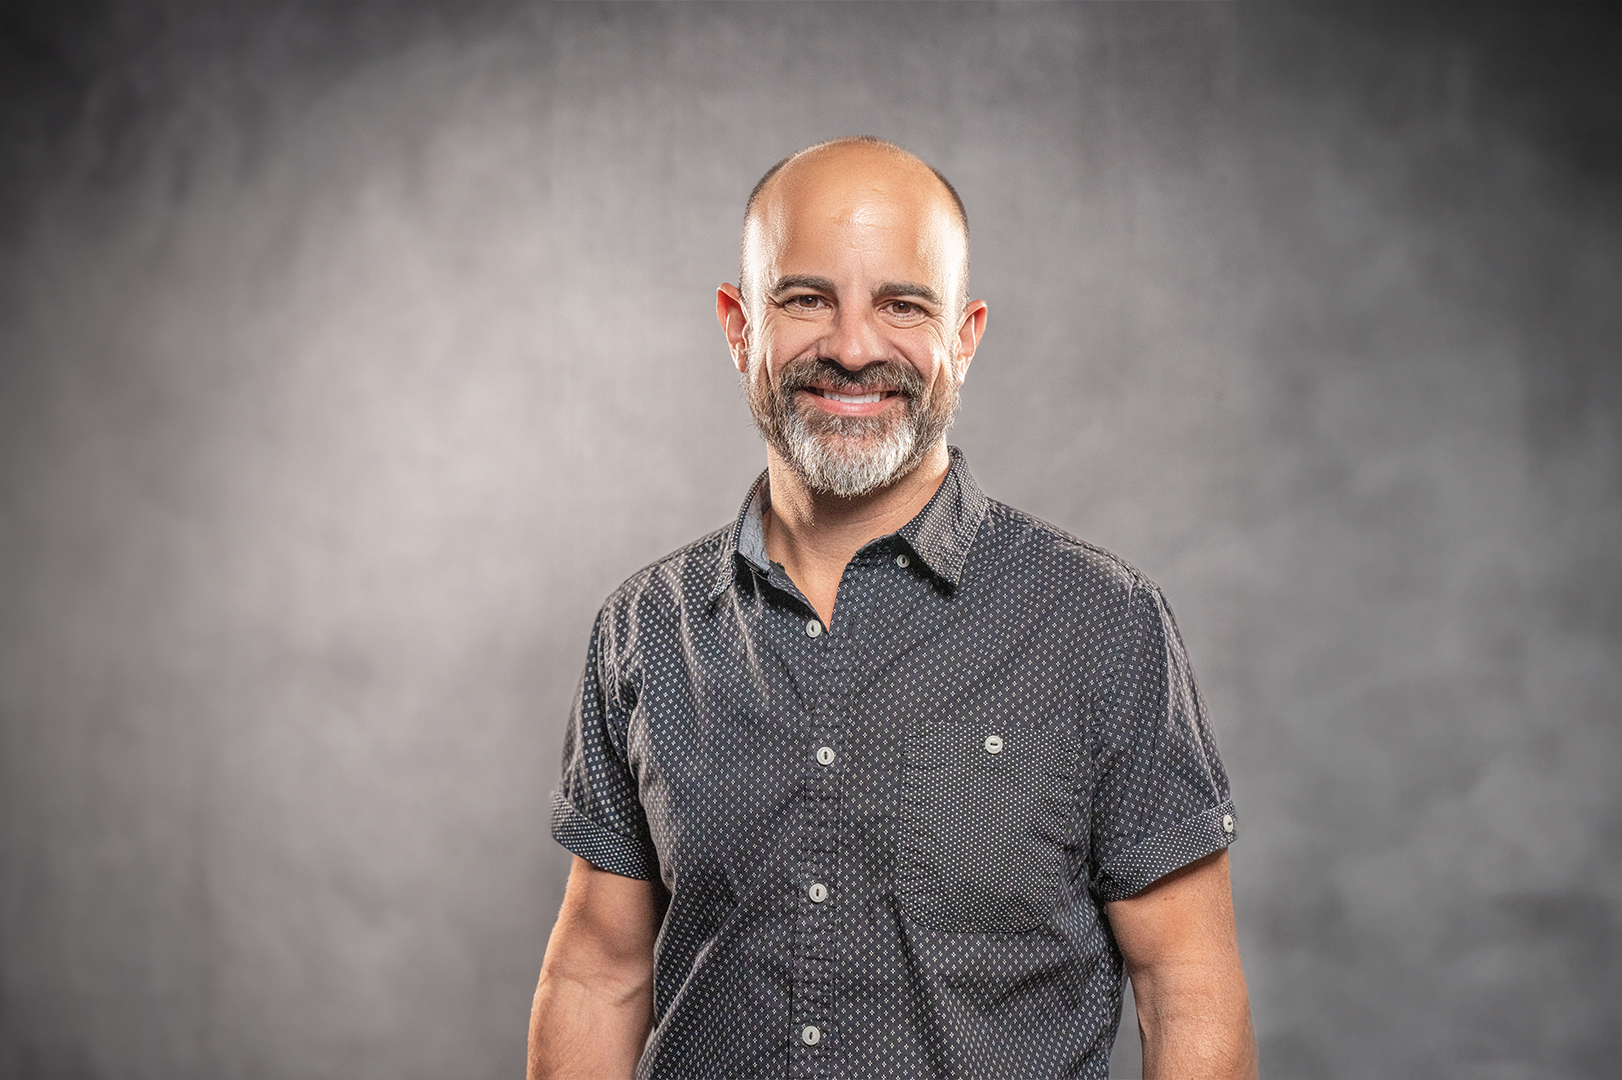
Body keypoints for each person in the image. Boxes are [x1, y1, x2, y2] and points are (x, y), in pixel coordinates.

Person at [527, 137, 1257, 1079]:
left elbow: (1187, 986)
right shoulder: (644, 631)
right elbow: (600, 972)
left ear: (965, 337)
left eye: (903, 305)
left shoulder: (1102, 624)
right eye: (806, 299)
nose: (853, 348)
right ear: (739, 326)